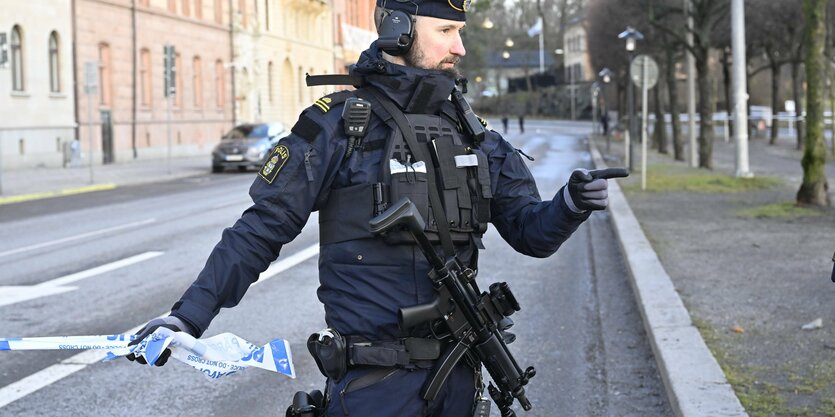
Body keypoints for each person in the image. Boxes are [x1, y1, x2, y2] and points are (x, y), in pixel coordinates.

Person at [127, 1, 621, 416]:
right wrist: (186, 319)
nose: (460, 47)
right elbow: (260, 230)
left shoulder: (475, 135)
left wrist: (570, 204)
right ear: (398, 28)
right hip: (375, 389)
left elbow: (530, 233)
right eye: (446, 31)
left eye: (461, 32)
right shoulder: (339, 125)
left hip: (459, 381)